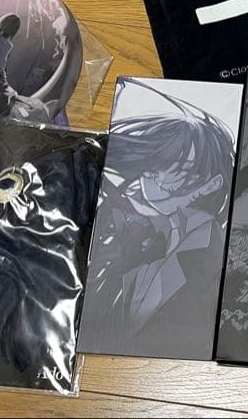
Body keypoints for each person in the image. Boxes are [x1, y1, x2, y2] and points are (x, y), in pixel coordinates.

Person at [85, 86, 235, 358]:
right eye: (158, 163)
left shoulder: (206, 245)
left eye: (180, 170)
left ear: (210, 185)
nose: (154, 177)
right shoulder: (120, 216)